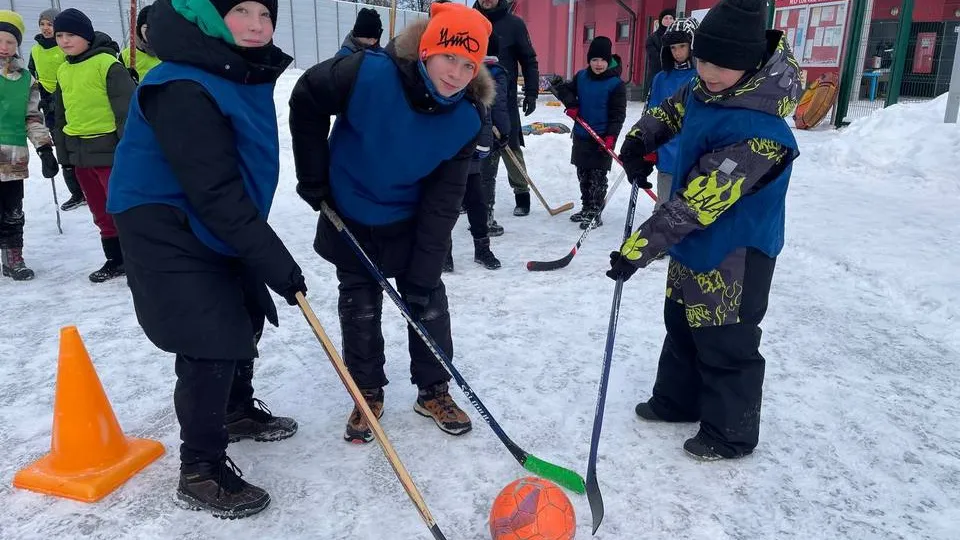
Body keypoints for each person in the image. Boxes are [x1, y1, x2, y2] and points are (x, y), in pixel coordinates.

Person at [107, 0, 304, 518]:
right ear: (209, 17)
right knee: (210, 339)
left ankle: (236, 410)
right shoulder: (182, 86)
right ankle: (200, 471)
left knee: (246, 311)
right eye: (241, 11)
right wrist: (271, 255)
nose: (259, 25)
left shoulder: (232, 71)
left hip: (213, 217)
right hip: (163, 221)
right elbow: (213, 190)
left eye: (266, 13)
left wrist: (257, 255)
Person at [289, 2, 492, 444]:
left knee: (428, 302)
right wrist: (313, 176)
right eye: (448, 57)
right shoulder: (366, 72)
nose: (456, 73)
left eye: (468, 64)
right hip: (350, 211)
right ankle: (367, 391)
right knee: (359, 307)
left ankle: (433, 390)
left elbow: (443, 203)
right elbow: (306, 96)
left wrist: (423, 271)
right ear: (425, 50)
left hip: (409, 218)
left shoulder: (465, 118)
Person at [608, 0, 801, 461]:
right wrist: (641, 138)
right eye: (702, 60)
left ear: (751, 63)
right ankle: (677, 401)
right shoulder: (706, 87)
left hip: (736, 250)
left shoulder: (762, 133)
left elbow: (695, 203)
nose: (708, 72)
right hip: (696, 244)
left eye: (722, 65)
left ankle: (730, 433)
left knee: (724, 338)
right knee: (681, 321)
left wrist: (636, 250)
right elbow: (675, 109)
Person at [52, 8, 136, 283]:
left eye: (71, 34)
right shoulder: (63, 70)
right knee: (99, 210)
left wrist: (129, 150)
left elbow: (127, 111)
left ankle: (139, 259)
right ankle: (115, 259)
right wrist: (64, 152)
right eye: (60, 35)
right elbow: (61, 114)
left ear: (87, 36)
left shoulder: (107, 64)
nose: (64, 40)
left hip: (111, 151)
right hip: (80, 153)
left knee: (123, 208)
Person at [0, 10, 59, 281]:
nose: (4, 47)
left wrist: (44, 148)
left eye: (10, 42)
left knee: (13, 210)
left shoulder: (25, 78)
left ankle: (13, 258)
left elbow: (32, 117)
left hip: (11, 156)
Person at [446, 31, 508, 272]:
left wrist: (485, 143)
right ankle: (444, 253)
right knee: (446, 205)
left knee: (477, 203)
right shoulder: (446, 75)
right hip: (445, 154)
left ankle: (482, 249)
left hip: (469, 153)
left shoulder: (476, 77)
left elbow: (484, 113)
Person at [551, 36, 626, 230]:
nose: (598, 64)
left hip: (601, 138)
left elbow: (618, 115)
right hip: (582, 134)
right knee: (583, 173)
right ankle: (586, 207)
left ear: (608, 60)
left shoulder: (615, 84)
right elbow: (566, 91)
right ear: (589, 60)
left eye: (602, 60)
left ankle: (595, 211)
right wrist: (572, 104)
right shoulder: (582, 77)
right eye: (594, 60)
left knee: (597, 177)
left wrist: (611, 137)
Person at [475, 0, 538, 225]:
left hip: (504, 99)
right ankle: (472, 197)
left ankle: (522, 194)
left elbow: (529, 60)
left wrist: (531, 92)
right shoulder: (470, 21)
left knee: (510, 145)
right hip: (473, 99)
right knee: (475, 149)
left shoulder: (514, 24)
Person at [27, 7, 85, 212]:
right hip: (49, 105)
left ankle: (90, 187)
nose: (45, 28)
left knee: (79, 146)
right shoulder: (35, 50)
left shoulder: (65, 46)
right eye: (42, 24)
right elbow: (33, 76)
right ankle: (76, 192)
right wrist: (41, 98)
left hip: (70, 101)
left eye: (49, 24)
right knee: (62, 148)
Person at [647, 18, 699, 208]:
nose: (677, 52)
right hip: (667, 154)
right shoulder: (661, 78)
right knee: (664, 208)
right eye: (673, 47)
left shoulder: (701, 77)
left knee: (690, 211)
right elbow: (651, 113)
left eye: (682, 46)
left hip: (694, 156)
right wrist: (648, 146)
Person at [120, 5, 161, 82]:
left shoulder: (169, 53)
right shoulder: (127, 55)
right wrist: (127, 82)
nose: (151, 32)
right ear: (139, 29)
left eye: (155, 27)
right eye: (146, 27)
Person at [644, 8, 675, 94]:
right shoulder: (652, 38)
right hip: (657, 74)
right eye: (666, 18)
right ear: (661, 20)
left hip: (674, 76)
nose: (668, 20)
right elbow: (654, 57)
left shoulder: (678, 37)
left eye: (671, 18)